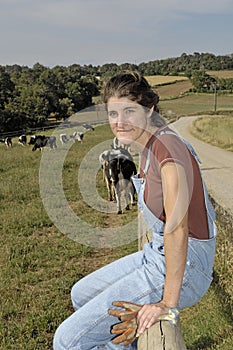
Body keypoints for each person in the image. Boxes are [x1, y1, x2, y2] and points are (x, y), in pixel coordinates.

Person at [53, 71, 217, 349]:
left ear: (149, 109)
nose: (120, 122)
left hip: (186, 266)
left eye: (129, 111)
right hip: (156, 255)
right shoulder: (149, 144)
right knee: (80, 294)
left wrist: (168, 304)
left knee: (67, 341)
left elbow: (177, 228)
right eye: (113, 113)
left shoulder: (169, 151)